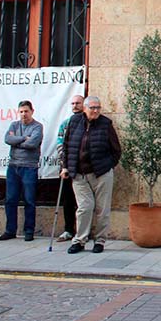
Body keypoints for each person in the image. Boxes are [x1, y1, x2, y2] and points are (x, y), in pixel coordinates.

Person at [61, 96, 121, 254]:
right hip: (79, 174)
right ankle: (80, 240)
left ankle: (100, 241)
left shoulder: (105, 124)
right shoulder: (74, 122)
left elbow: (116, 150)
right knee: (84, 208)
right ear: (85, 108)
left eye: (98, 108)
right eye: (92, 108)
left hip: (101, 173)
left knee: (102, 209)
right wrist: (65, 166)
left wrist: (107, 166)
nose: (95, 111)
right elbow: (67, 146)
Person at [0, 100, 44, 242]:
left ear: (32, 111)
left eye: (26, 111)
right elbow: (7, 139)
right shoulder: (14, 125)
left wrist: (17, 141)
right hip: (13, 166)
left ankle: (29, 231)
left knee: (29, 200)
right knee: (10, 199)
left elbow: (33, 143)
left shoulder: (37, 126)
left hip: (29, 167)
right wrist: (24, 138)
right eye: (21, 111)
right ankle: (10, 230)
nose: (24, 114)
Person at [55, 95, 84, 242]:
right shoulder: (65, 124)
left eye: (78, 103)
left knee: (84, 202)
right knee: (68, 200)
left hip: (83, 168)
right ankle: (68, 229)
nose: (75, 105)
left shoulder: (88, 122)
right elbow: (60, 143)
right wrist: (65, 163)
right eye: (73, 103)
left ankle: (83, 231)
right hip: (67, 167)